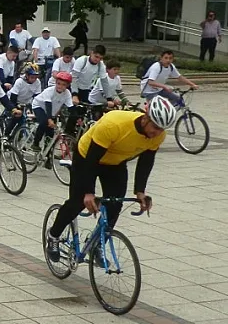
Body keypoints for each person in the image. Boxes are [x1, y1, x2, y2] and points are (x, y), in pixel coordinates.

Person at [45, 97, 176, 262]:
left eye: (162, 129)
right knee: (78, 202)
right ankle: (53, 235)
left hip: (115, 163)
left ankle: (97, 245)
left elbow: (146, 162)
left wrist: (140, 192)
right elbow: (92, 160)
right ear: (145, 118)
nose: (157, 133)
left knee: (115, 204)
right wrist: (88, 192)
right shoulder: (114, 124)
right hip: (87, 157)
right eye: (155, 127)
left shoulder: (158, 135)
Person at [30, 71, 77, 151]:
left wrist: (77, 118)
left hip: (52, 111)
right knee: (44, 122)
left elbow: (70, 107)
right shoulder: (50, 91)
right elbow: (48, 105)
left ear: (68, 86)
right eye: (58, 83)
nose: (60, 86)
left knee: (51, 134)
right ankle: (35, 143)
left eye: (63, 85)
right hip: (39, 106)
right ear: (55, 83)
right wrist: (49, 119)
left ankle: (47, 155)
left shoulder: (67, 93)